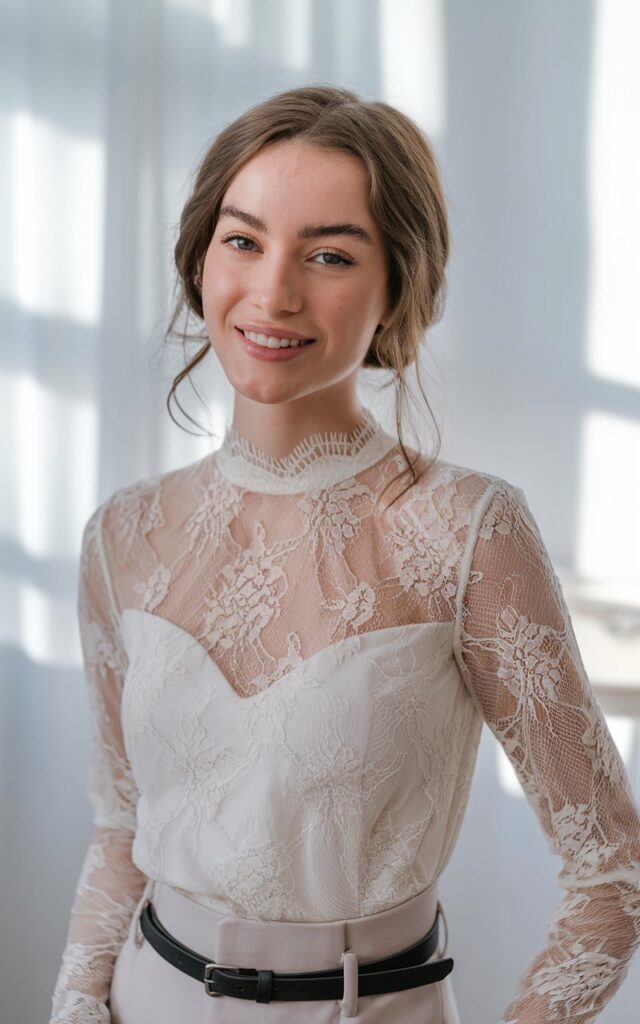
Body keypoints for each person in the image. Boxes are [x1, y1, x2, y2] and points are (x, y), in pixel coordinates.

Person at [49, 85, 640, 1024]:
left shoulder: (468, 531)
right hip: (142, 996)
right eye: (243, 240)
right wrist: (76, 1008)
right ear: (199, 258)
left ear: (398, 288)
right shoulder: (123, 535)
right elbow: (122, 829)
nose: (274, 292)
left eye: (329, 254)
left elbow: (615, 871)